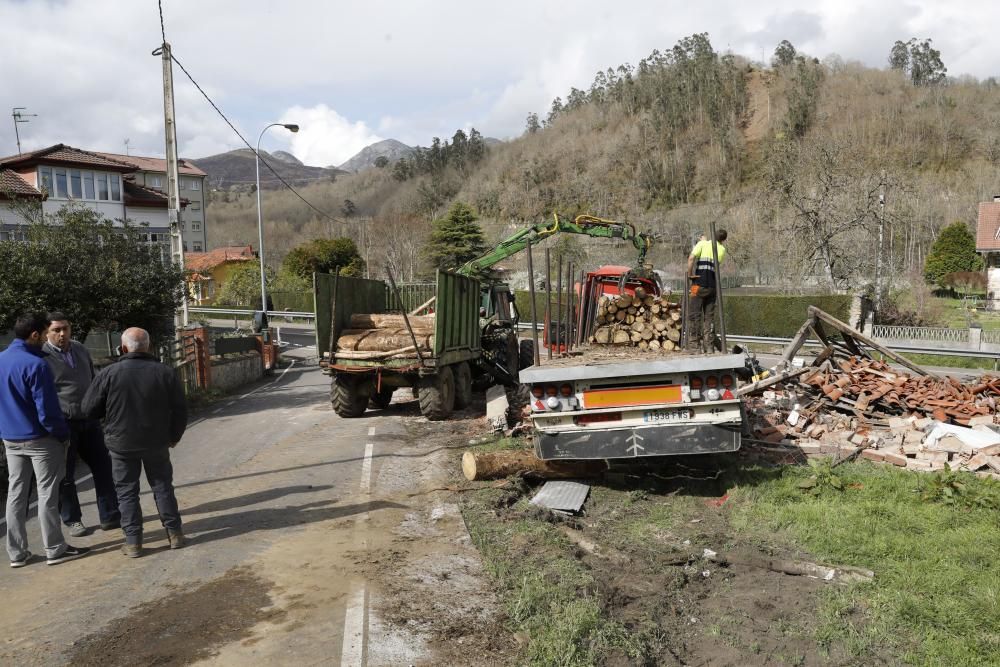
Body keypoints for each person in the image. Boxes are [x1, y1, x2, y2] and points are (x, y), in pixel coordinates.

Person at [83, 327, 188, 558]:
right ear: (149, 347)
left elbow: (88, 409)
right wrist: (174, 436)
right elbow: (180, 409)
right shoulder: (165, 372)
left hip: (121, 445)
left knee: (126, 492)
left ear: (122, 348)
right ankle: (175, 534)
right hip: (157, 442)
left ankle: (133, 543)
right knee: (162, 487)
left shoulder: (109, 374)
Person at [0, 312, 89, 567]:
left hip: (10, 438)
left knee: (16, 495)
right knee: (47, 495)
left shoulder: (1, 360)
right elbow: (47, 411)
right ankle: (54, 547)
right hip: (41, 440)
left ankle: (16, 553)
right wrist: (62, 435)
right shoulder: (37, 365)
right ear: (35, 334)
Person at [43, 312, 121, 537]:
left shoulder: (80, 349)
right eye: (56, 330)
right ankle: (73, 520)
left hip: (90, 421)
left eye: (65, 328)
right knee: (65, 476)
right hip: (64, 424)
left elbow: (94, 379)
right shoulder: (42, 357)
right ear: (47, 332)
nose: (61, 333)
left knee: (104, 468)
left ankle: (110, 515)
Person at [686, 229, 728, 353]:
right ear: (723, 240)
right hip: (712, 286)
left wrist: (690, 275)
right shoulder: (722, 250)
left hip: (697, 284)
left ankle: (695, 346)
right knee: (709, 318)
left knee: (694, 315)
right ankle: (709, 347)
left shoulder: (702, 244)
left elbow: (691, 258)